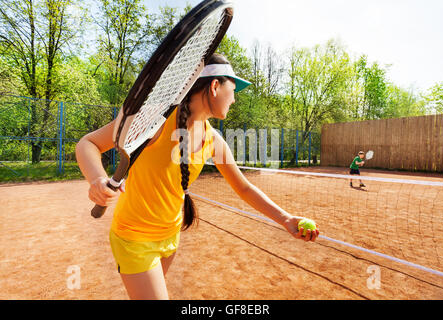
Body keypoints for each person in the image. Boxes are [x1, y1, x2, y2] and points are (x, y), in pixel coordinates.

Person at [75, 53, 320, 300]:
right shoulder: (155, 120)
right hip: (134, 238)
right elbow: (88, 143)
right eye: (233, 89)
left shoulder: (213, 140)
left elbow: (244, 188)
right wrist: (97, 178)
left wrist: (286, 219)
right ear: (215, 86)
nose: (234, 99)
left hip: (171, 235)